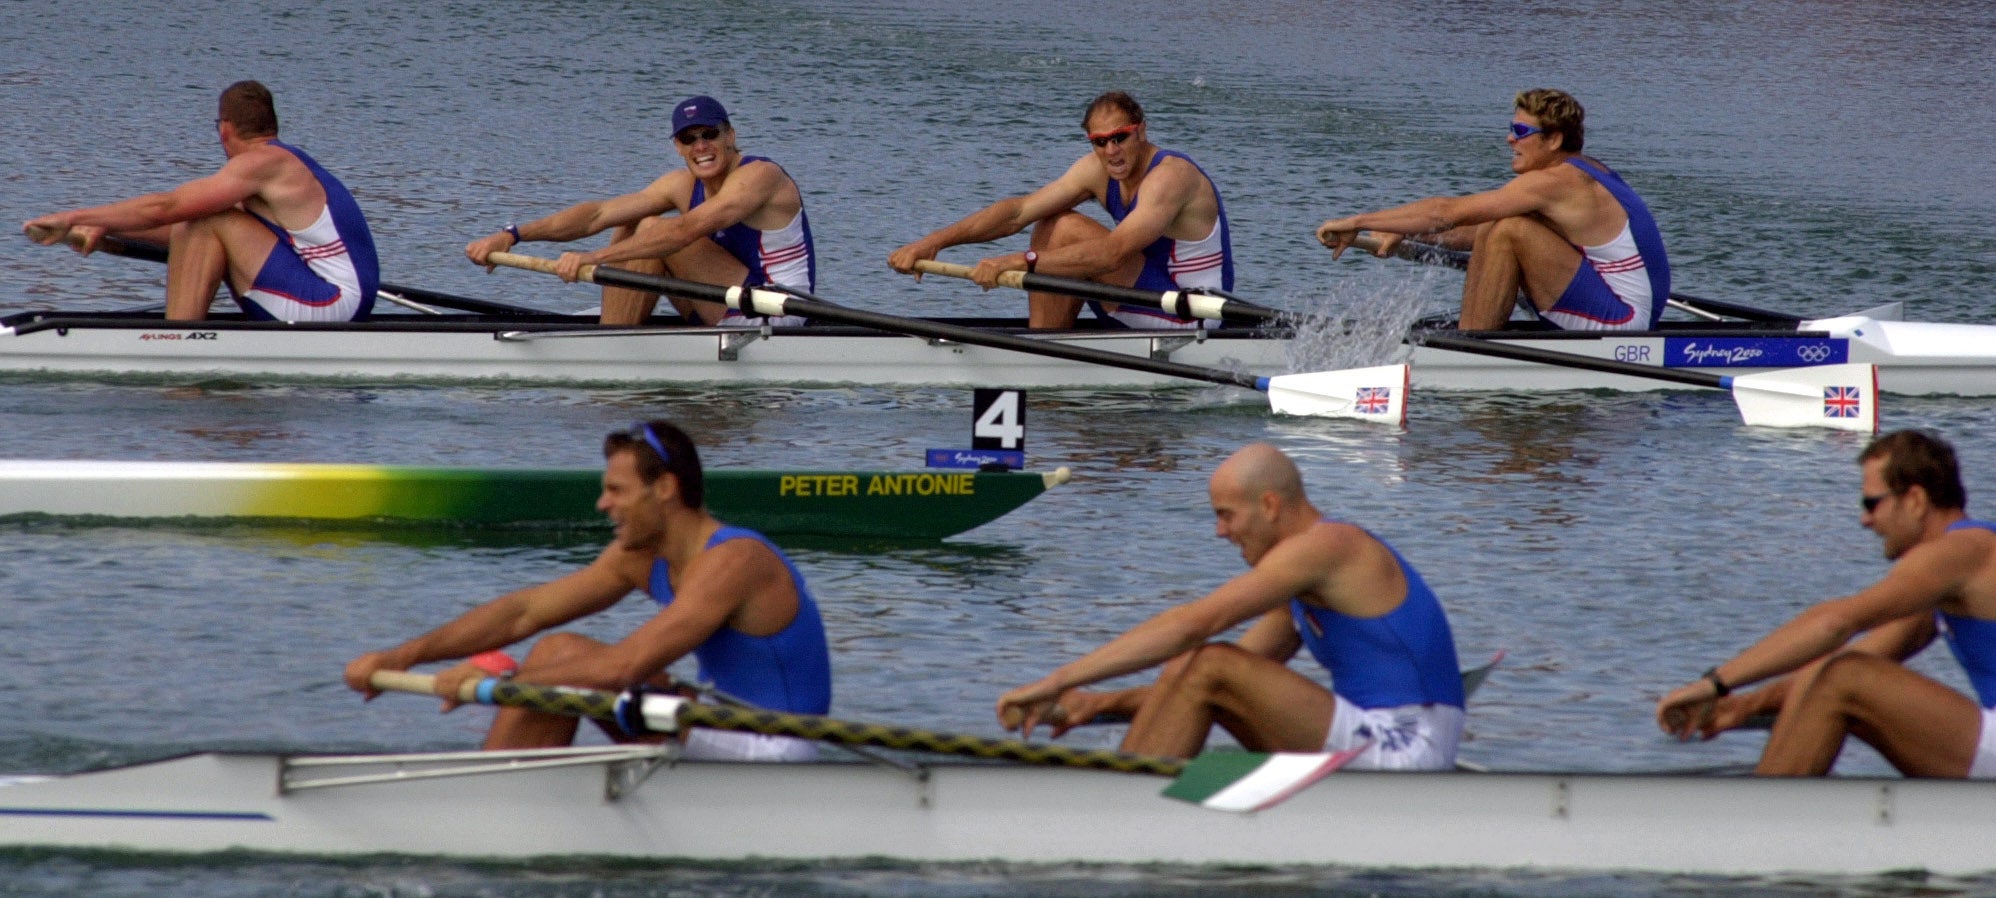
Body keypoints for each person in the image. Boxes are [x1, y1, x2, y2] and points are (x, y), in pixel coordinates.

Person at [344, 419, 832, 760]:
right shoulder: (643, 556)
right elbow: (523, 613)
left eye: (616, 490)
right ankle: (510, 783)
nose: (602, 504)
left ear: (664, 488)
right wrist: (403, 655)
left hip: (774, 746)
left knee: (563, 669)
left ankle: (496, 800)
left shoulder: (735, 561)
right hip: (714, 723)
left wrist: (498, 682)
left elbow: (625, 666)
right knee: (557, 648)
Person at [995, 443, 1466, 768]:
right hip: (1379, 739)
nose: (1220, 532)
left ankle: (1118, 813)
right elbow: (1201, 684)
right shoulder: (1303, 592)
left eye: (1226, 515)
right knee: (1203, 669)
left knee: (1209, 661)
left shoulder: (1328, 547)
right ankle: (1125, 803)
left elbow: (1194, 625)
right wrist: (1095, 707)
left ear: (1269, 505)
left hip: (1410, 748)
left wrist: (1055, 680)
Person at [1656, 430, 1996, 778]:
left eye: (1871, 503)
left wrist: (1714, 682)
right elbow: (1844, 662)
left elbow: (1835, 624)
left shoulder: (1964, 550)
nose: (1865, 520)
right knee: (1841, 671)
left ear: (1915, 500)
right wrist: (1745, 705)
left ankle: (1755, 824)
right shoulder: (1949, 584)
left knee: (1845, 678)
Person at [1315, 88, 1669, 332]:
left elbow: (1445, 212)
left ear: (1555, 139)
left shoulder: (1558, 181)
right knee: (1499, 224)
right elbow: (1468, 231)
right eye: (1511, 128)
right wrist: (1406, 230)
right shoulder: (1578, 172)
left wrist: (1358, 221)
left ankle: (1469, 345)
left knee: (1508, 230)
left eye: (1521, 130)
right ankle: (1473, 334)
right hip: (1610, 304)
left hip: (1623, 324)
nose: (1510, 139)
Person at [23, 80, 378, 323]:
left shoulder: (262, 165)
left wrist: (70, 217)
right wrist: (105, 231)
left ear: (224, 129)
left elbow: (167, 208)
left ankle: (176, 344)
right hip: (333, 299)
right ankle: (181, 339)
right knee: (207, 221)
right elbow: (186, 235)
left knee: (208, 216)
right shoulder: (279, 167)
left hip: (330, 304)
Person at [887, 91, 1233, 330]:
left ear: (1141, 131)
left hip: (1191, 315)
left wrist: (1020, 261)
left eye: (1120, 137)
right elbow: (1017, 213)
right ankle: (1043, 344)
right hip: (1136, 297)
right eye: (1100, 141)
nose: (1111, 150)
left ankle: (1040, 355)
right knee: (1051, 222)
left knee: (1067, 230)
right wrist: (932, 243)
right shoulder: (1096, 170)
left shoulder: (1171, 176)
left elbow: (1113, 254)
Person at [465, 96, 811, 327]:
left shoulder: (760, 175)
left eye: (710, 134)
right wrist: (512, 234)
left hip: (775, 311)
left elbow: (683, 232)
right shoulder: (680, 184)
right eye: (689, 139)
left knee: (653, 229)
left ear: (730, 135)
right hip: (725, 302)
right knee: (632, 220)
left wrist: (593, 258)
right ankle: (614, 330)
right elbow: (597, 215)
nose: (701, 146)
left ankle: (610, 341)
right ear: (677, 147)